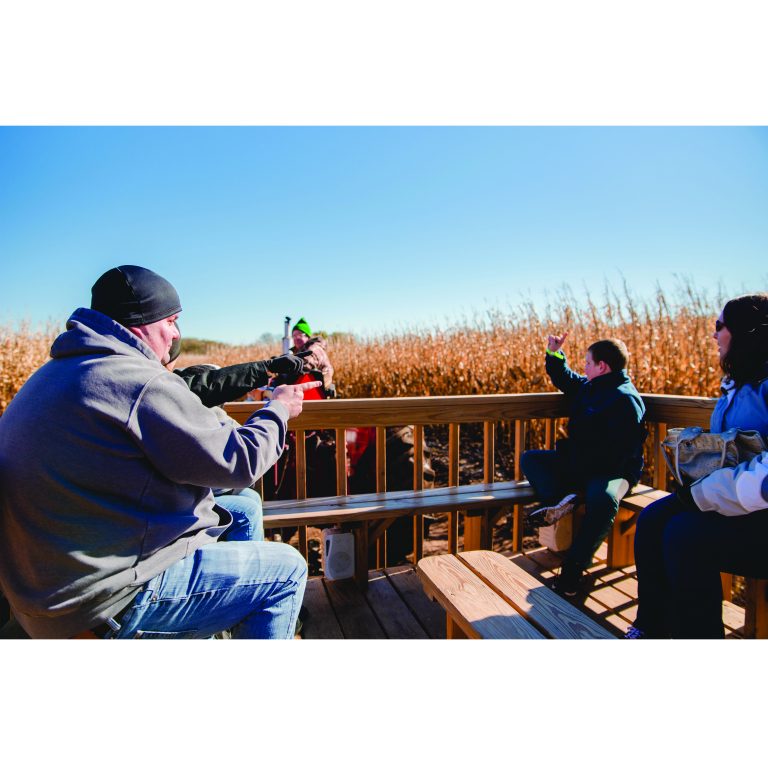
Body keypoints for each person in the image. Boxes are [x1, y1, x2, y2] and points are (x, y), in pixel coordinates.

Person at [0, 265, 320, 639]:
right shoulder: (135, 381)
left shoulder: (60, 372)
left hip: (47, 586)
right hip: (100, 600)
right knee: (287, 570)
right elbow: (240, 460)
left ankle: (229, 619)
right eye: (172, 321)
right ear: (143, 322)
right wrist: (279, 408)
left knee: (243, 507)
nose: (175, 335)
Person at [628, 293, 768, 639]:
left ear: (745, 332)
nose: (713, 335)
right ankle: (651, 626)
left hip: (758, 514)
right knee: (652, 519)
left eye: (719, 326)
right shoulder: (737, 385)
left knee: (684, 536)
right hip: (737, 506)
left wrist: (706, 492)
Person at [521, 333, 647, 597]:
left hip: (615, 470)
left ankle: (573, 569)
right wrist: (554, 353)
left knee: (602, 499)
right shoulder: (589, 387)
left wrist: (583, 472)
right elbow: (564, 377)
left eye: (588, 362)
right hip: (582, 465)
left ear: (602, 367)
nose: (584, 367)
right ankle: (559, 502)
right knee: (531, 459)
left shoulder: (625, 399)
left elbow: (622, 451)